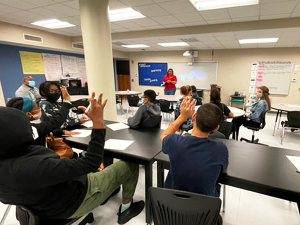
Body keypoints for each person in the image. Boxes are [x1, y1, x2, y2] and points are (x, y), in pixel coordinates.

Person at [0, 92, 144, 224]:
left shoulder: (10, 161)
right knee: (129, 165)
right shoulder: (33, 166)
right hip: (72, 201)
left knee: (103, 156)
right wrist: (98, 122)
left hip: (44, 203)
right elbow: (90, 162)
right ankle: (126, 208)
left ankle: (108, 190)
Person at [160, 100, 228, 222]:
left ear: (194, 117)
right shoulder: (221, 148)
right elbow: (224, 171)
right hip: (202, 213)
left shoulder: (175, 142)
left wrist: (182, 116)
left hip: (173, 209)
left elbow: (163, 136)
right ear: (216, 127)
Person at [6, 86, 79, 147]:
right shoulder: (31, 129)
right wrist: (66, 102)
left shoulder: (10, 128)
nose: (40, 109)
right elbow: (55, 122)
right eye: (37, 108)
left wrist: (61, 131)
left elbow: (46, 128)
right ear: (28, 114)